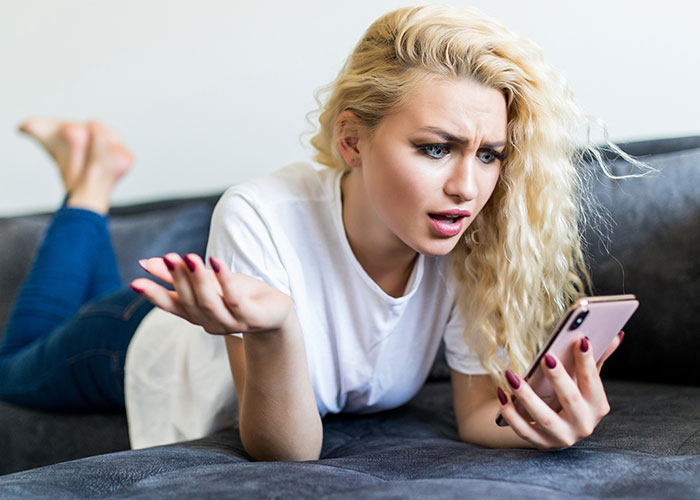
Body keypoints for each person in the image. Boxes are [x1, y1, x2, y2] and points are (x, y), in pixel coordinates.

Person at [0, 5, 627, 461]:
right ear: (352, 140)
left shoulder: (471, 235)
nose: (467, 186)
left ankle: (92, 167)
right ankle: (89, 185)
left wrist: (546, 418)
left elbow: (475, 416)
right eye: (437, 149)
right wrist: (275, 326)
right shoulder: (259, 213)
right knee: (11, 367)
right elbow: (285, 451)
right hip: (133, 336)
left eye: (489, 154)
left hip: (191, 304)